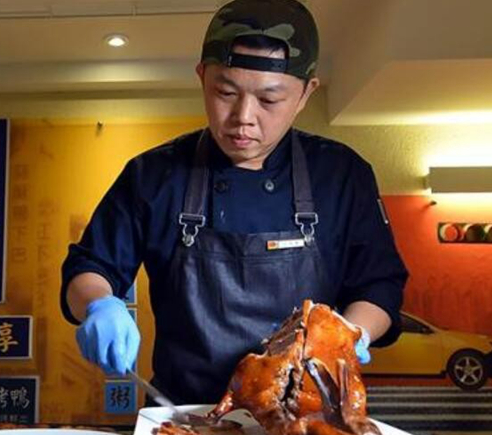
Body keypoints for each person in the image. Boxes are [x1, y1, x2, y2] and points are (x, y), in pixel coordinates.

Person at [60, 0, 408, 405]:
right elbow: (90, 268)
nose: (243, 116)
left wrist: (349, 336)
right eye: (225, 92)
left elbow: (379, 285)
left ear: (305, 93)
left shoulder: (341, 174)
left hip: (305, 411)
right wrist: (99, 304)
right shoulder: (153, 174)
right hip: (183, 413)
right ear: (201, 76)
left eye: (269, 100)